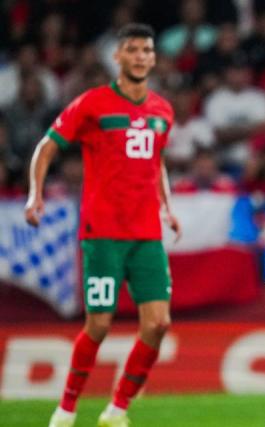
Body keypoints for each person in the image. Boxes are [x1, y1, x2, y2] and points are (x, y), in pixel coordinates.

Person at [25, 24, 179, 427]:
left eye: (147, 49)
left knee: (159, 323)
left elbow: (157, 161)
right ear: (118, 57)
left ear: (153, 57)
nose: (141, 56)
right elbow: (47, 146)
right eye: (133, 49)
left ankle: (118, 409)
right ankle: (67, 408)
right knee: (99, 323)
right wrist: (34, 194)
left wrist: (168, 204)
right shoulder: (92, 104)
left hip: (146, 234)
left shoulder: (163, 110)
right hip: (103, 233)